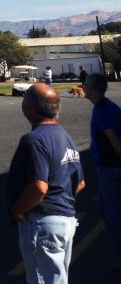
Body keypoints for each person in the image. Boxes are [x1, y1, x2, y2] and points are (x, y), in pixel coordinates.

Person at [7, 83, 85, 283]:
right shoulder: (65, 137)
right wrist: (62, 200)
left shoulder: (34, 140)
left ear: (29, 108)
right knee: (57, 277)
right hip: (65, 219)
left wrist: (17, 210)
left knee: (43, 278)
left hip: (42, 222)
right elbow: (80, 182)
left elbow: (39, 186)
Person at [83, 73, 121, 270]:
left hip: (111, 169)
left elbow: (112, 138)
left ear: (93, 89)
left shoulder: (102, 110)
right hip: (110, 168)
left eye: (86, 85)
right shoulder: (108, 107)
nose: (83, 87)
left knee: (113, 213)